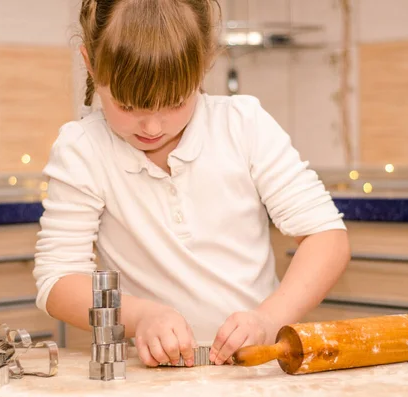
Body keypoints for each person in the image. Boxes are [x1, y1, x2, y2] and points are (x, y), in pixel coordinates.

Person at [33, 0, 350, 368]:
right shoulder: (83, 149)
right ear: (90, 63)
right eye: (128, 105)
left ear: (204, 63)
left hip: (258, 366)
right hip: (153, 378)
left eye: (173, 103)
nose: (151, 128)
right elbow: (57, 280)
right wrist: (139, 316)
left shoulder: (243, 125)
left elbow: (326, 238)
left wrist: (268, 318)